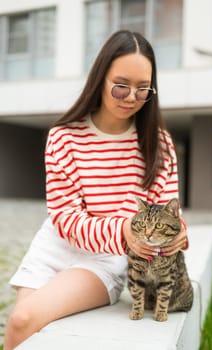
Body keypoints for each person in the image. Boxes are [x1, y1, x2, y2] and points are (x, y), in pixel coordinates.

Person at [3, 30, 188, 350]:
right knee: (21, 328)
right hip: (55, 246)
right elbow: (64, 216)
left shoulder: (159, 144)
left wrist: (178, 233)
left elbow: (167, 212)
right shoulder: (64, 137)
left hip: (106, 256)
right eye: (120, 86)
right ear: (100, 79)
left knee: (24, 318)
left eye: (143, 89)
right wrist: (124, 227)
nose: (131, 97)